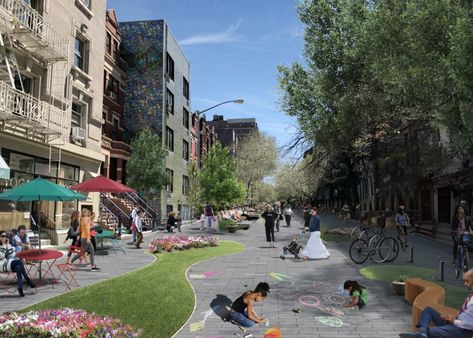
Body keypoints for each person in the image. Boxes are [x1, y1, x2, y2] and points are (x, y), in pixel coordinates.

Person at [399, 269, 473, 338]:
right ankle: (423, 333)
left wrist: (455, 321)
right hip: (455, 325)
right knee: (428, 310)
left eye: (467, 281)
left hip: (463, 331)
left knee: (430, 331)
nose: (465, 284)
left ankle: (423, 333)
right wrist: (452, 319)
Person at [0, 232, 36, 297]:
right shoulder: (2, 246)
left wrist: (7, 244)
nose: (4, 238)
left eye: (5, 236)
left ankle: (20, 289)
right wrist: (3, 244)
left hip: (8, 264)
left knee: (18, 267)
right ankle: (28, 280)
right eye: (2, 236)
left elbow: (12, 255)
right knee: (20, 262)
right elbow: (1, 256)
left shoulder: (5, 245)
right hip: (1, 265)